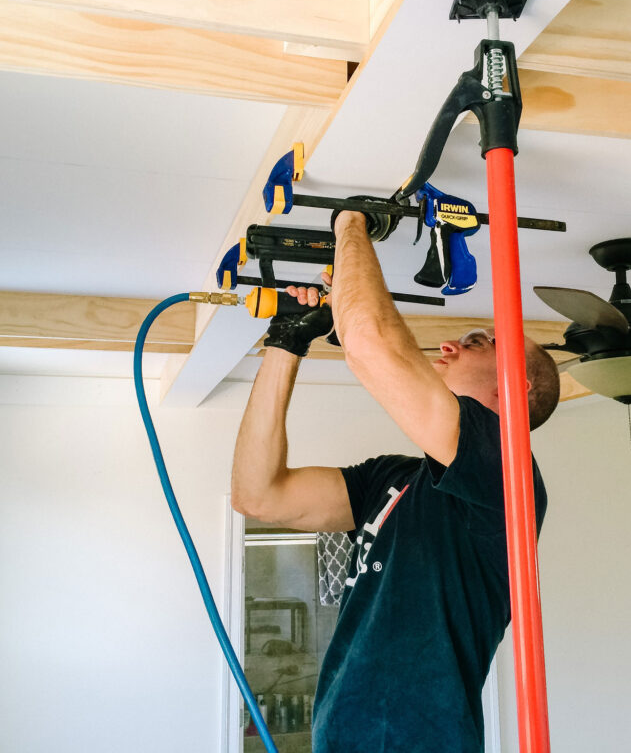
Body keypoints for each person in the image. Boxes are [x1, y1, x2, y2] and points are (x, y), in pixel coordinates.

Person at [231, 207, 560, 753]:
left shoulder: (505, 469)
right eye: (478, 337)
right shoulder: (397, 478)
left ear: (517, 387)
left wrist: (352, 225)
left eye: (477, 342)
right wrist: (286, 342)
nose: (450, 345)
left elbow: (370, 346)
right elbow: (259, 494)